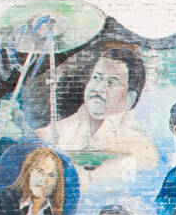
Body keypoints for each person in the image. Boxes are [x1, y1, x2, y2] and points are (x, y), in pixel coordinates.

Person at [36, 46, 159, 186]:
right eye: (96, 78)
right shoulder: (59, 130)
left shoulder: (140, 147)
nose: (98, 88)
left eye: (111, 82)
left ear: (130, 98)